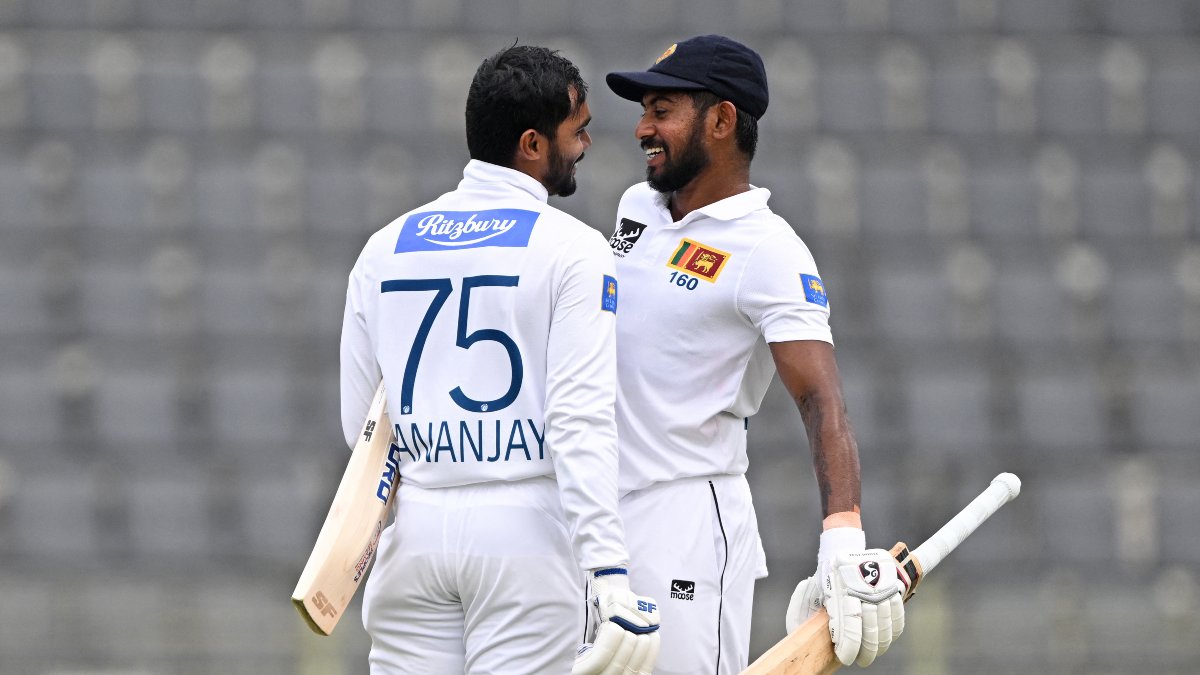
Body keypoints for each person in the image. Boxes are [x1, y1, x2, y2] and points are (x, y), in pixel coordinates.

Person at [340, 44, 659, 675]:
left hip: (414, 536)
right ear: (533, 144)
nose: (588, 144)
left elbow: (364, 430)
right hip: (525, 536)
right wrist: (610, 573)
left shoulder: (384, 248)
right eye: (580, 130)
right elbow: (579, 421)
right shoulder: (574, 249)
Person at [604, 35, 907, 673]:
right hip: (598, 517)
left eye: (662, 110)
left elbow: (820, 397)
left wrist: (842, 539)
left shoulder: (769, 251)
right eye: (645, 110)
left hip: (685, 522)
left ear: (721, 120)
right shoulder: (636, 209)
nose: (642, 128)